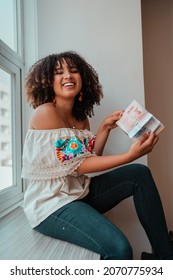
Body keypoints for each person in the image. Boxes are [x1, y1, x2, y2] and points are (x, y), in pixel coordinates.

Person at [21, 50, 173, 260]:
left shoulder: (81, 119)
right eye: (59, 72)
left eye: (74, 71)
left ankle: (166, 258)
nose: (68, 75)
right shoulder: (46, 112)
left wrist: (104, 129)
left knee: (139, 174)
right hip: (51, 205)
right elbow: (80, 166)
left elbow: (89, 158)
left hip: (78, 193)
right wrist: (130, 155)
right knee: (120, 249)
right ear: (48, 81)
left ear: (82, 78)